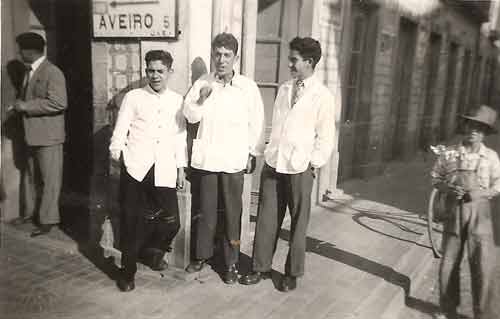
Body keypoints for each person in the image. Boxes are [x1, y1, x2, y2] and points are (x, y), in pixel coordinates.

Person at [239, 37, 336, 292]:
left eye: (294, 60)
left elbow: (326, 136)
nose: (289, 64)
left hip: (300, 167)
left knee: (298, 222)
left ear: (309, 62)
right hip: (274, 162)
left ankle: (292, 273)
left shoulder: (322, 96)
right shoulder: (284, 89)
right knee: (267, 218)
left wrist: (312, 162)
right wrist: (263, 151)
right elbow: (276, 123)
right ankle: (260, 267)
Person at [183, 32, 265, 284]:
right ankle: (201, 255)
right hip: (208, 157)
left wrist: (253, 152)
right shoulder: (202, 83)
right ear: (212, 55)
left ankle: (231, 263)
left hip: (233, 159)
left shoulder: (247, 87)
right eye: (217, 54)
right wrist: (200, 99)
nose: (221, 60)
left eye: (227, 55)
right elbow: (189, 115)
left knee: (232, 212)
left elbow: (258, 122)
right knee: (206, 210)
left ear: (235, 57)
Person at [109, 50, 187, 292]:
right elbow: (120, 130)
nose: (155, 76)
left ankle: (150, 253)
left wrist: (180, 168)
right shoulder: (133, 97)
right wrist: (116, 153)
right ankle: (127, 273)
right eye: (151, 70)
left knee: (172, 222)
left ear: (169, 72)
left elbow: (179, 136)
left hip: (164, 167)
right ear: (146, 71)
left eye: (160, 71)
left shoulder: (177, 100)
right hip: (136, 167)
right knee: (131, 222)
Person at [431, 105, 500, 319]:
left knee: (483, 262)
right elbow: (435, 177)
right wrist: (448, 188)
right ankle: (447, 308)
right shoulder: (450, 153)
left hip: (480, 215)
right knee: (450, 260)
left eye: (480, 128)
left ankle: (485, 313)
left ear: (485, 133)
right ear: (465, 126)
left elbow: (498, 185)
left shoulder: (490, 157)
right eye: (472, 125)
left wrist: (482, 194)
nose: (474, 131)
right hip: (455, 211)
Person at [9, 32, 67, 237]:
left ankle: (48, 221)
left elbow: (59, 102)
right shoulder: (29, 71)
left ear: (29, 50)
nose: (18, 53)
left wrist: (26, 106)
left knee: (50, 180)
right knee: (31, 177)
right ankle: (29, 214)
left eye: (20, 49)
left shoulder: (53, 72)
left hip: (49, 136)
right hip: (31, 135)